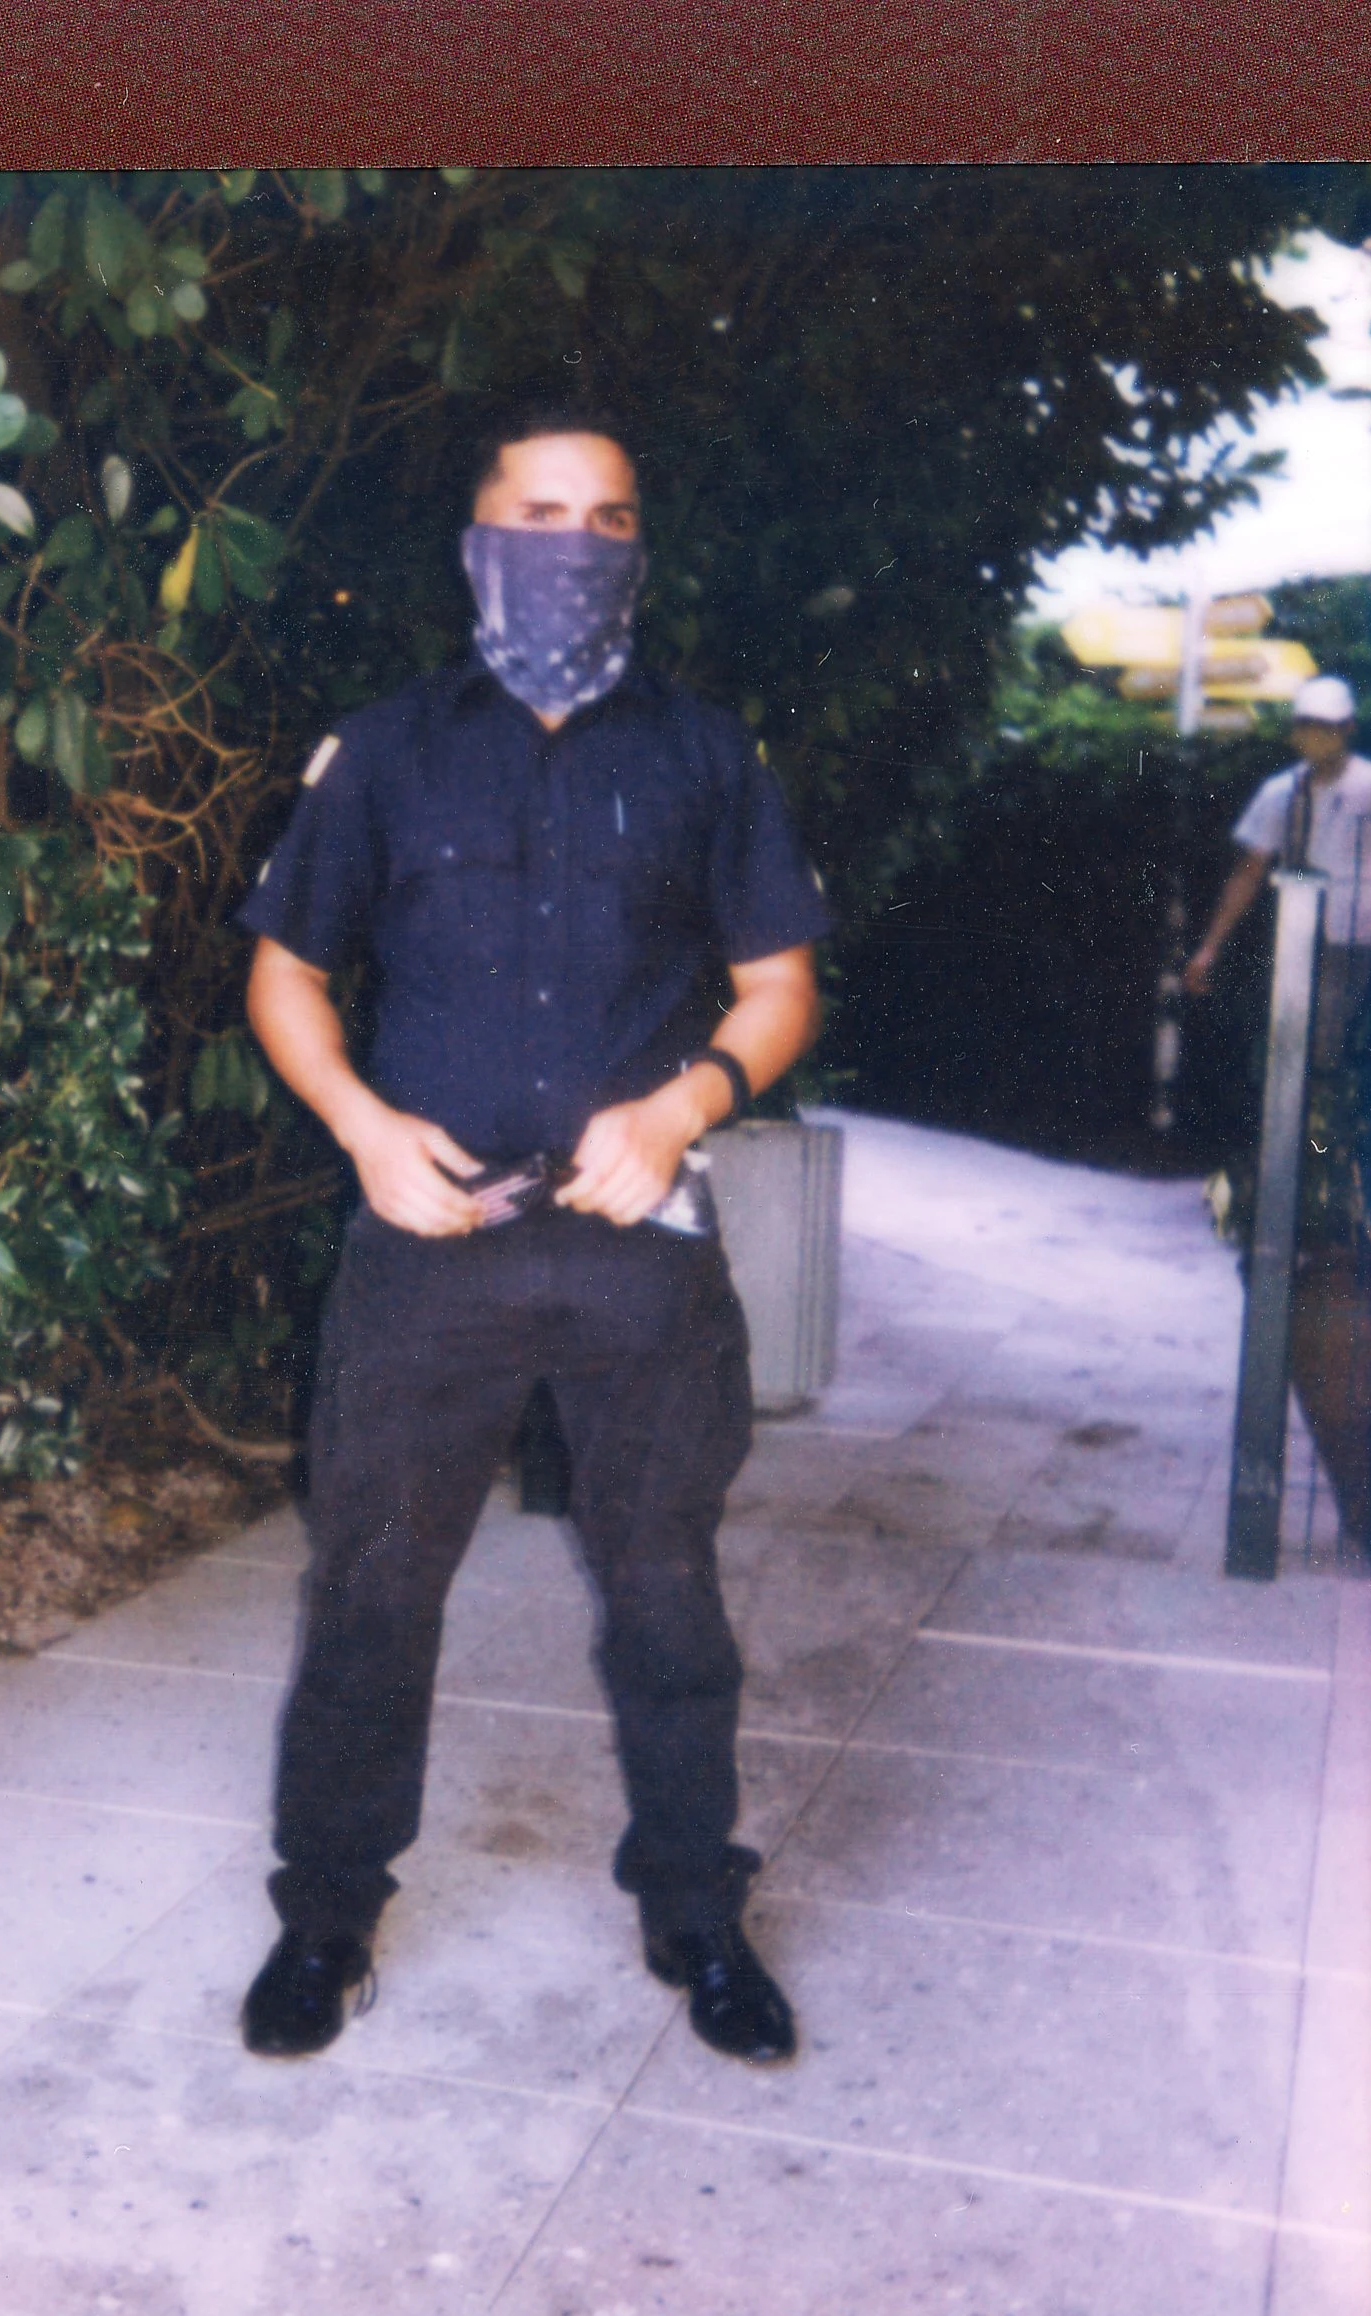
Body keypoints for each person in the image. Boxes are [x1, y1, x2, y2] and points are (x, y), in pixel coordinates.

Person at [232, 408, 830, 2067]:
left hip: (633, 1254)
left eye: (607, 518)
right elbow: (286, 971)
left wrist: (681, 1106)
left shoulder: (706, 756)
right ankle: (328, 1915)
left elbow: (778, 984)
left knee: (666, 1597)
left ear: (637, 546)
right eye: (540, 513)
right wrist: (360, 1131)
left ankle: (696, 1918)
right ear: (478, 538)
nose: (574, 546)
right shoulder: (386, 751)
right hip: (428, 1253)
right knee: (368, 1594)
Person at [1183, 674, 1371, 1071]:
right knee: (1286, 1054)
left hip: (1363, 942)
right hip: (1295, 941)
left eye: (1326, 726)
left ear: (1347, 729)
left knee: (1337, 1056)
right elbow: (1249, 870)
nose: (1315, 735)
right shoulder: (1281, 791)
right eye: (1306, 724)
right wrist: (1209, 948)